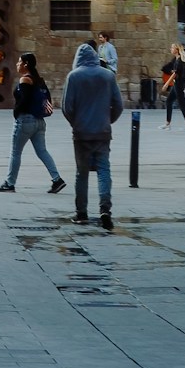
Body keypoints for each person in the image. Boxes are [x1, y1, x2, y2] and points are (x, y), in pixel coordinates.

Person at [62, 39, 124, 229]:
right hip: (102, 132)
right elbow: (119, 105)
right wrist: (108, 120)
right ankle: (105, 210)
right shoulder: (108, 76)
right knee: (104, 170)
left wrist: (76, 123)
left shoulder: (73, 77)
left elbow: (67, 107)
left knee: (81, 173)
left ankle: (81, 213)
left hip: (82, 133)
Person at [0, 52, 65, 193]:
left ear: (26, 64)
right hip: (39, 122)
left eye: (19, 62)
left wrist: (16, 113)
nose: (17, 64)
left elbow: (24, 101)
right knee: (42, 151)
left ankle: (10, 183)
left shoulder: (25, 80)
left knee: (15, 152)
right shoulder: (39, 80)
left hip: (26, 121)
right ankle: (57, 179)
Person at [160, 44, 185, 127]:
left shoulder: (179, 61)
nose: (171, 49)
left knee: (182, 104)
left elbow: (175, 74)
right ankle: (168, 123)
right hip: (176, 84)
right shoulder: (176, 60)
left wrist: (166, 84)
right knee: (169, 101)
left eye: (172, 48)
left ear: (176, 50)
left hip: (179, 84)